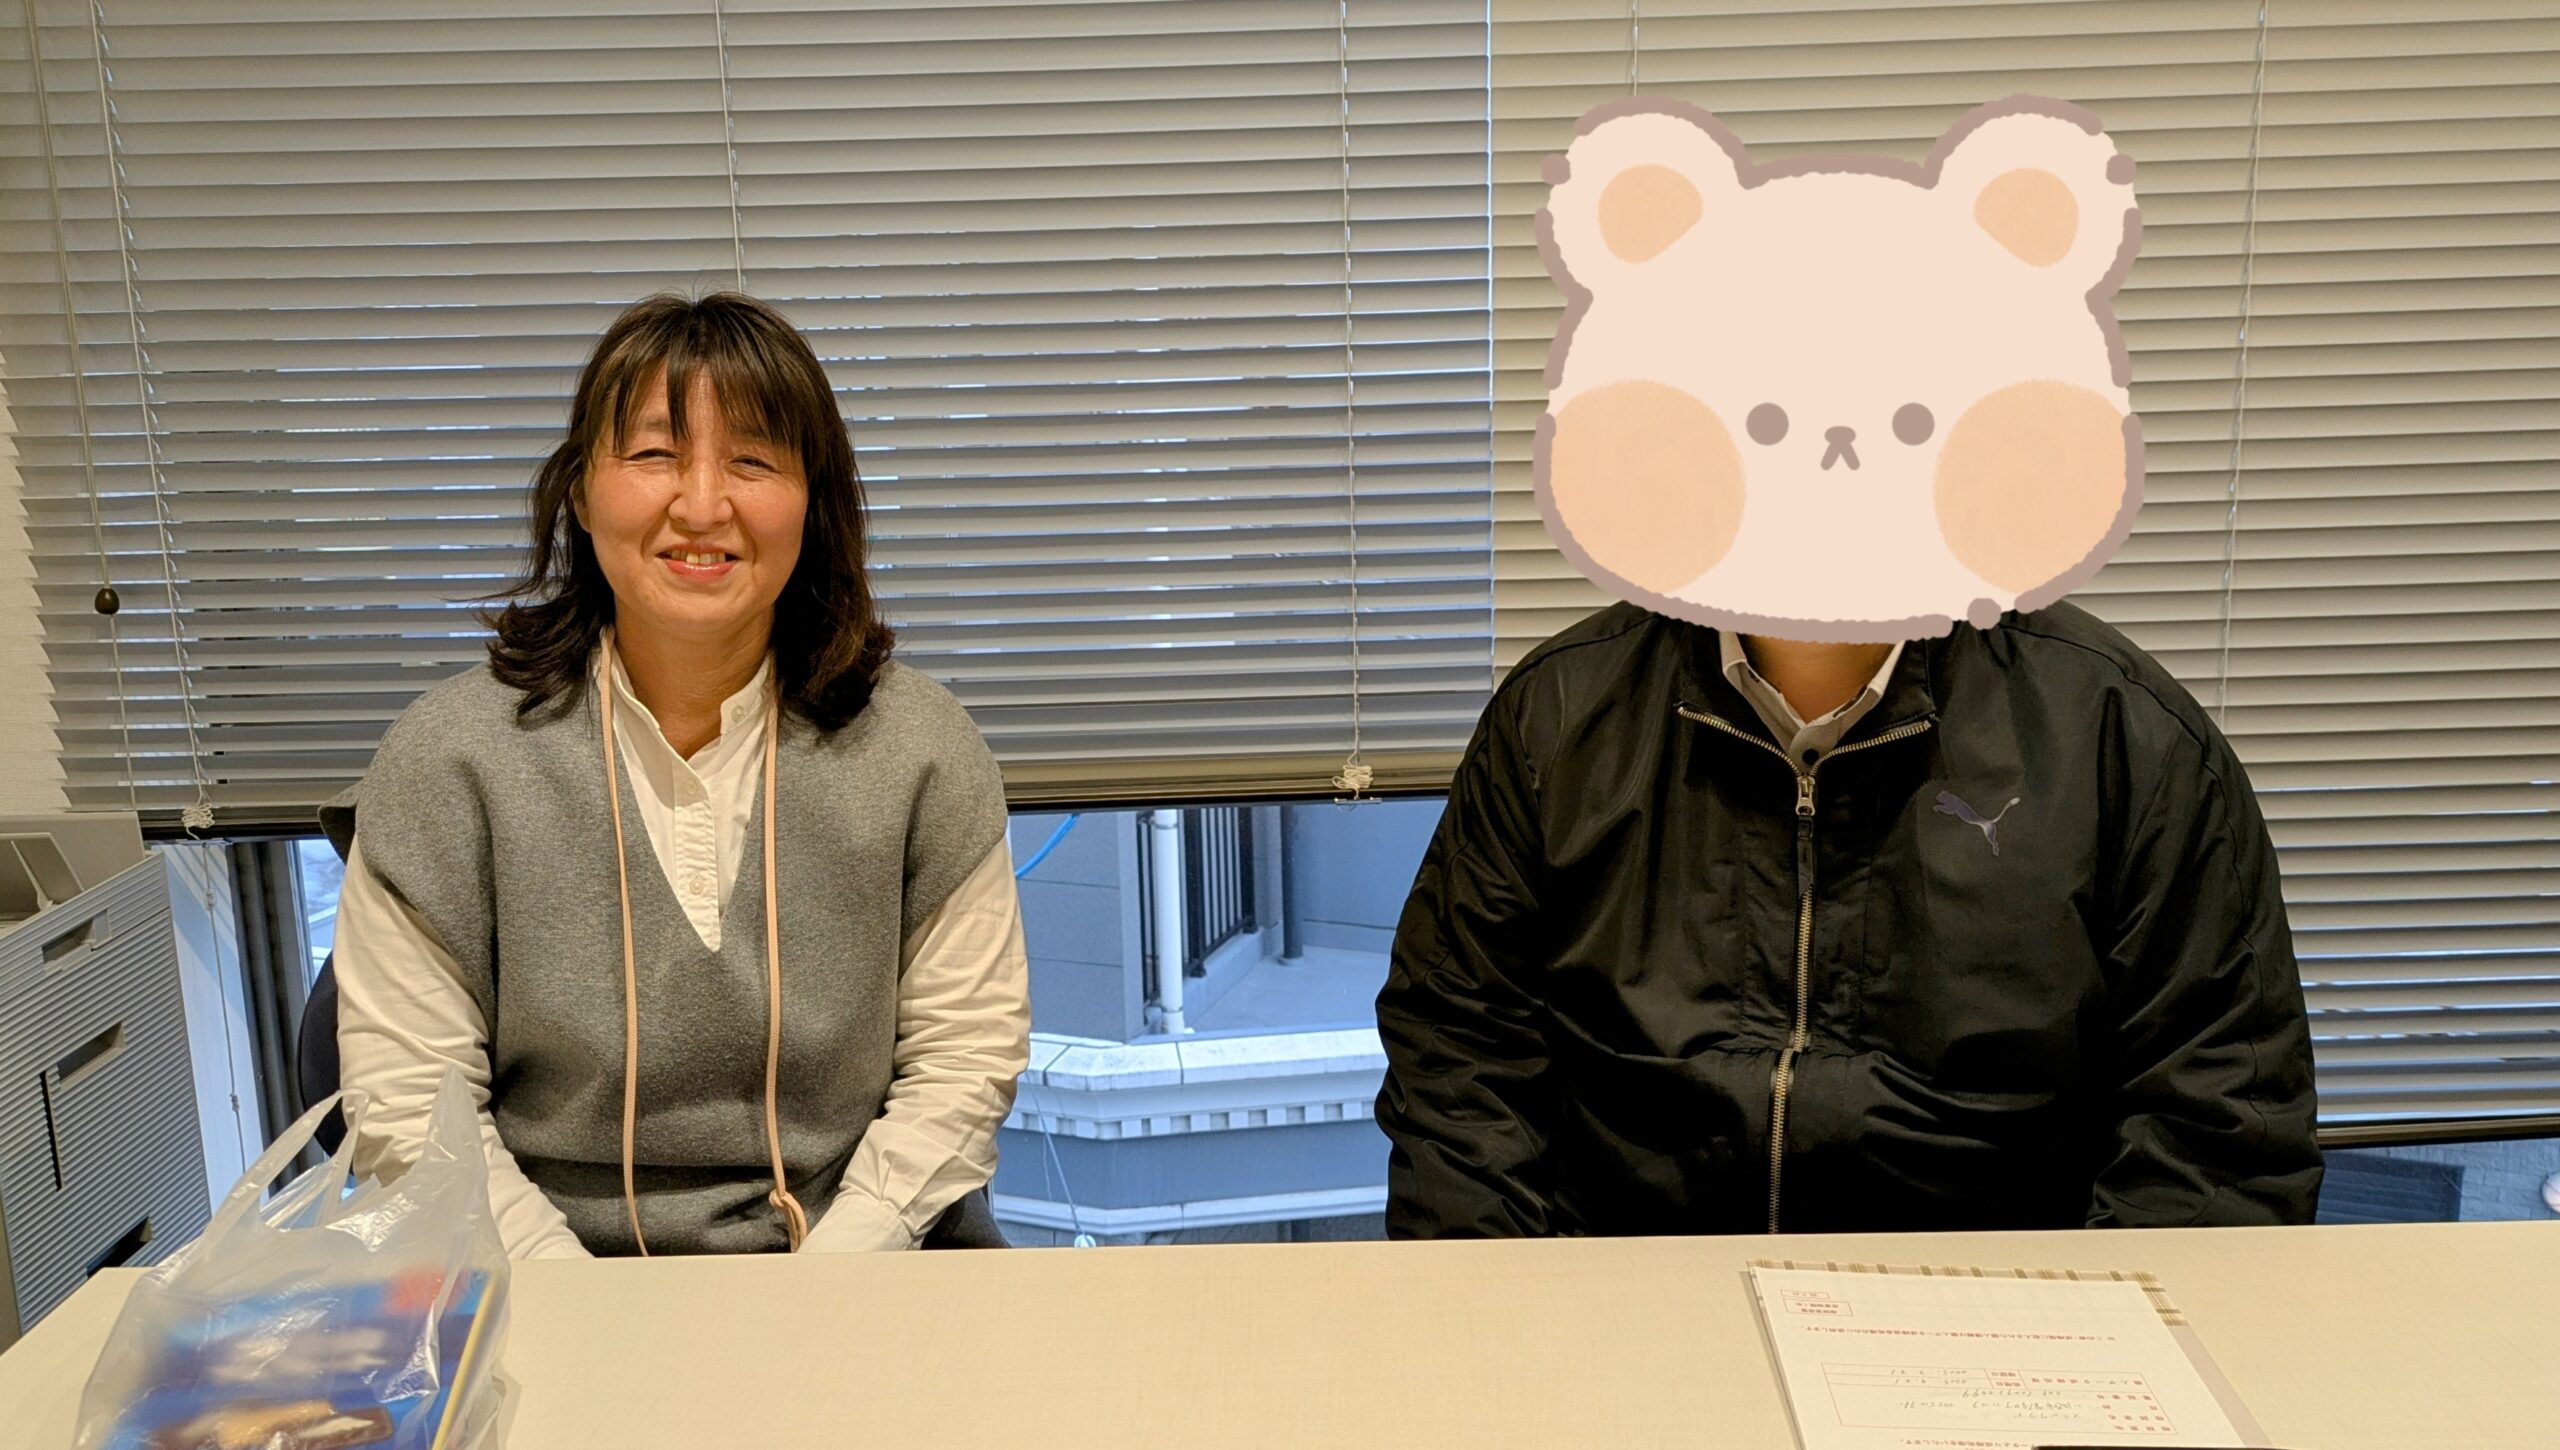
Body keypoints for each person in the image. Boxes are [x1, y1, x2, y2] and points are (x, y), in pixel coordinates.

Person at [324, 292, 1028, 1258]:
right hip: (543, 1271)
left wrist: (830, 1284)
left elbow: (964, 1057)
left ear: (814, 502)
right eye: (655, 454)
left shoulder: (920, 747)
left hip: (857, 1258)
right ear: (581, 494)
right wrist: (584, 1307)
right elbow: (410, 1099)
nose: (701, 505)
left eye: (752, 461)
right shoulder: (450, 760)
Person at [1375, 602, 2323, 1236]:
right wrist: (1513, 1337)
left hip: (2004, 1334)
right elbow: (1460, 1066)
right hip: (1627, 1317)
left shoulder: (2125, 735)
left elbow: (2217, 1126)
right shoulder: (1557, 716)